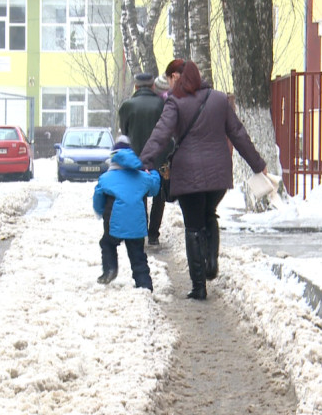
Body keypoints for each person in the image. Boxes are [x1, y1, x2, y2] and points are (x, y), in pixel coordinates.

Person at [139, 60, 268, 300]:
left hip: (188, 176)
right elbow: (238, 133)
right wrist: (258, 165)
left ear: (179, 78)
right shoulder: (219, 99)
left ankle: (199, 285)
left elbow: (160, 134)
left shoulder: (175, 102)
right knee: (209, 214)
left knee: (193, 225)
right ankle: (211, 263)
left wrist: (143, 162)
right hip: (218, 175)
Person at [93, 135, 161, 291]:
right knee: (138, 257)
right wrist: (152, 172)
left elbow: (98, 198)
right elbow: (155, 189)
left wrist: (99, 212)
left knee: (107, 244)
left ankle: (110, 269)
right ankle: (144, 285)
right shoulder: (143, 177)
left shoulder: (106, 178)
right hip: (137, 226)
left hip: (113, 224)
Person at [118, 72, 169, 245]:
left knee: (138, 196)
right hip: (158, 157)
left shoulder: (127, 106)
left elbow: (124, 133)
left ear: (136, 87)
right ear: (153, 86)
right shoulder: (161, 104)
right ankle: (154, 234)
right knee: (158, 196)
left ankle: (140, 233)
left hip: (135, 159)